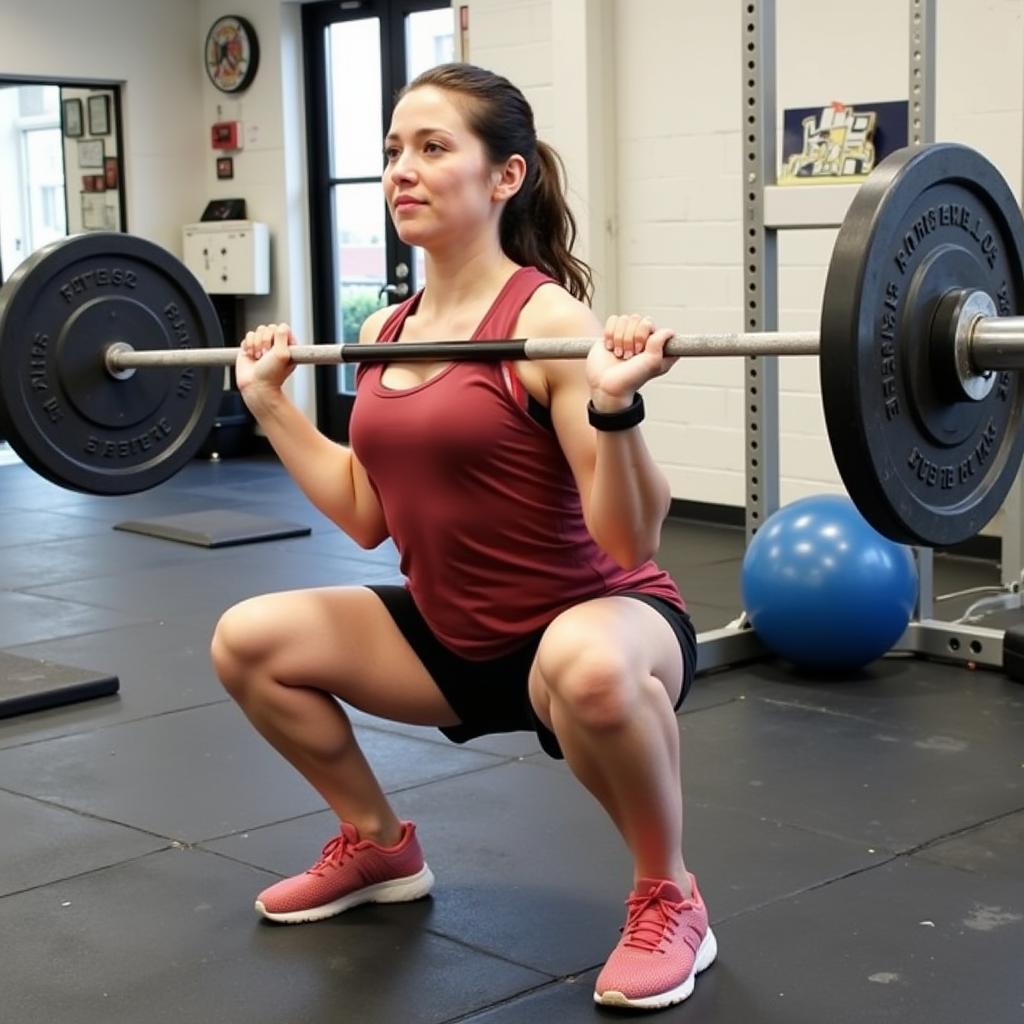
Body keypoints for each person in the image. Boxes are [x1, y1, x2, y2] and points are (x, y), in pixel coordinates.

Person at [211, 62, 716, 1012]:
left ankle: (670, 893)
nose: (402, 169)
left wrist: (616, 406)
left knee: (588, 667)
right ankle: (378, 846)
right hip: (455, 638)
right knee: (248, 640)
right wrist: (270, 408)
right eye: (394, 150)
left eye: (433, 148)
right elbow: (367, 512)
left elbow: (632, 535)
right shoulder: (385, 328)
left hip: (600, 625)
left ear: (505, 177)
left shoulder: (549, 323)